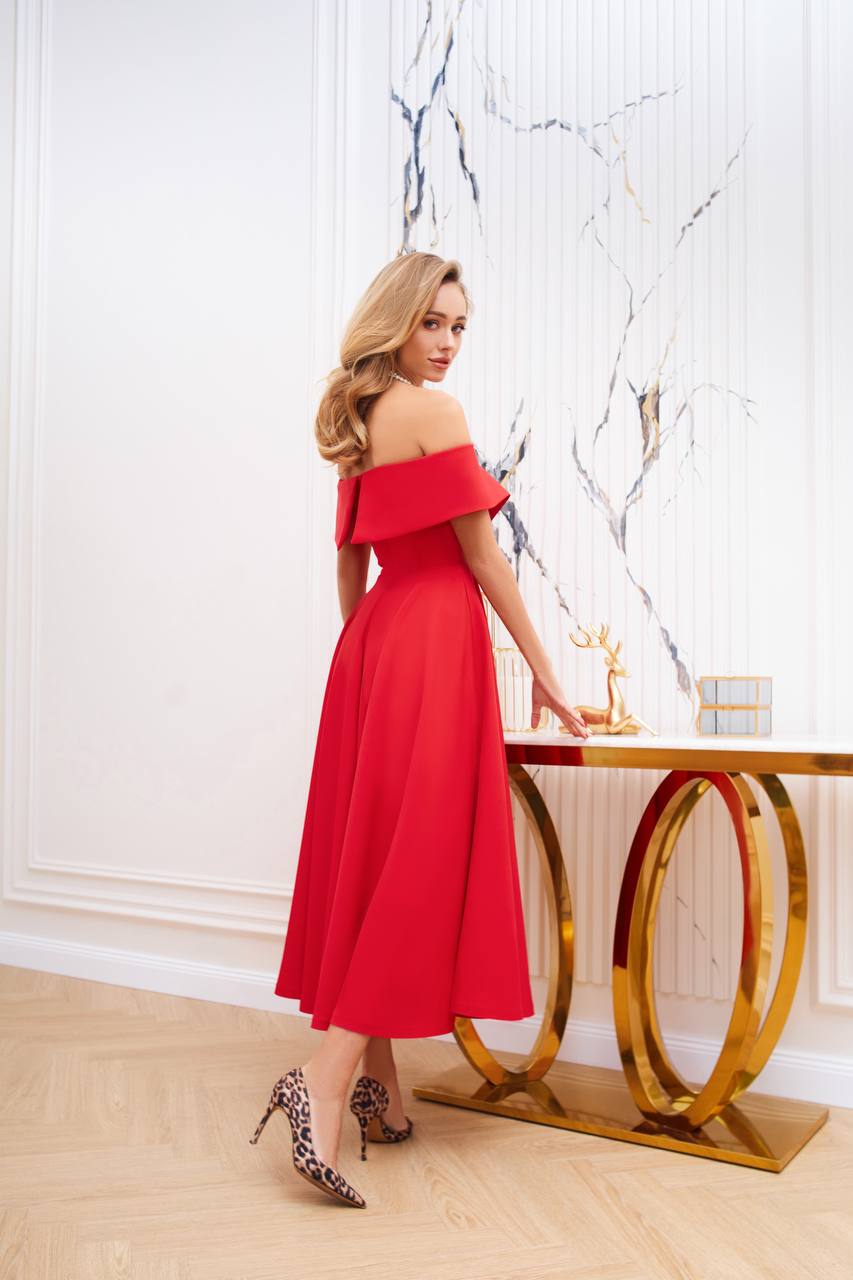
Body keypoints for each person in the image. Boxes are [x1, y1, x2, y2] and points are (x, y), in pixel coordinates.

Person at [248, 252, 590, 1207]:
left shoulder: (356, 418)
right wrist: (549, 677)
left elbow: (350, 562)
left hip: (373, 647)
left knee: (379, 855)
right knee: (418, 860)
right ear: (395, 321)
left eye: (458, 328)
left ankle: (381, 1097)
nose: (445, 345)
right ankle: (322, 1077)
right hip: (434, 641)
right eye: (432, 324)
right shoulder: (435, 415)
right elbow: (483, 561)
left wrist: (360, 656)